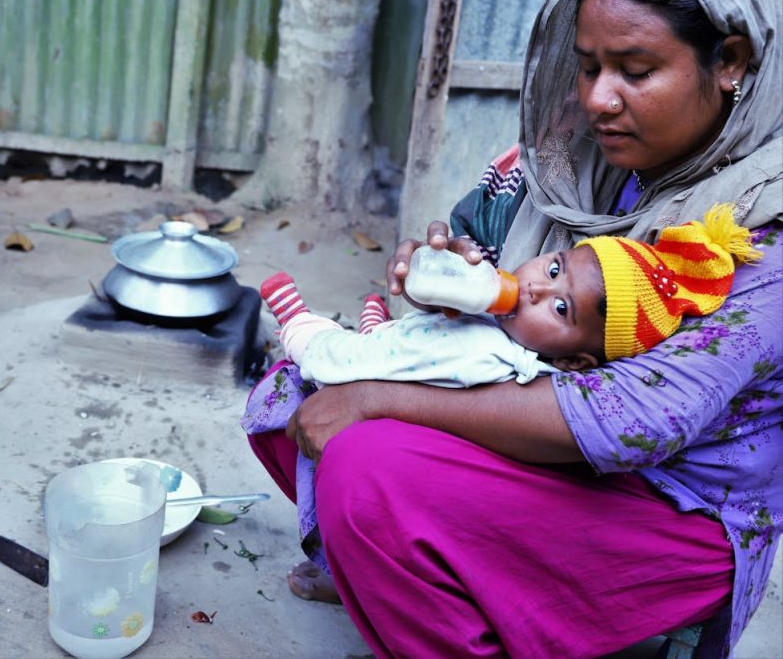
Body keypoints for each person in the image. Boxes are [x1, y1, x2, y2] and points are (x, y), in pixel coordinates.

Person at [244, 0, 782, 656]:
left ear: (729, 61)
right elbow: (488, 239)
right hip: (545, 425)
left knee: (366, 461)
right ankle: (388, 572)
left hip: (668, 504)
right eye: (588, 66)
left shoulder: (763, 231)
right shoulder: (574, 153)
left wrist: (383, 397)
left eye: (635, 71)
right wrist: (453, 270)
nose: (596, 98)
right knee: (302, 385)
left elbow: (636, 422)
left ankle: (425, 589)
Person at [247, 204, 761, 577]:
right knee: (285, 397)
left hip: (658, 514)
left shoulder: (506, 366)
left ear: (573, 361)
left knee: (361, 451)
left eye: (561, 309)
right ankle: (353, 557)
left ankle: (376, 572)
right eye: (554, 267)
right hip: (398, 372)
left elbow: (409, 380)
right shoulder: (506, 277)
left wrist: (360, 386)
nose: (536, 288)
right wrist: (435, 280)